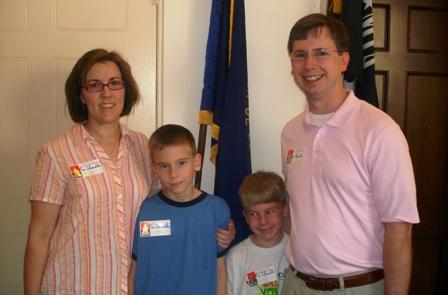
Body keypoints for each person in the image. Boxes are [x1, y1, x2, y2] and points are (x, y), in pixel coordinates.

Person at [24, 49, 234, 295]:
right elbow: (39, 235)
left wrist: (218, 230)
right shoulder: (56, 153)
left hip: (131, 286)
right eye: (94, 85)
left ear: (125, 89)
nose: (106, 93)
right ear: (81, 95)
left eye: (114, 83)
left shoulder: (142, 147)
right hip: (75, 285)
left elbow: (172, 203)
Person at [280, 14, 420, 294]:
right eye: (300, 55)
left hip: (357, 287)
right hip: (296, 284)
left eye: (321, 53)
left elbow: (399, 229)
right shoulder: (290, 132)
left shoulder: (379, 131)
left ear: (343, 61)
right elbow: (301, 209)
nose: (309, 64)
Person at [128, 124, 230, 295]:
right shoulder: (143, 211)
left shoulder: (216, 210)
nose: (173, 174)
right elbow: (134, 268)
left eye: (181, 163)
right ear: (154, 169)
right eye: (164, 166)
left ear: (196, 162)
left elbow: (220, 267)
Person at [226, 171, 289, 295]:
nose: (263, 221)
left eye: (270, 211)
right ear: (245, 217)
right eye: (253, 214)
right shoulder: (236, 257)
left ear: (285, 210)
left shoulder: (296, 252)